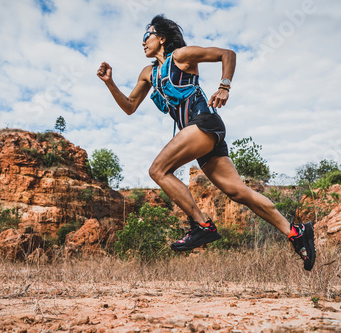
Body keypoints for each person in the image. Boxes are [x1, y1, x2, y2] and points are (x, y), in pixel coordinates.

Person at [97, 15, 316, 271]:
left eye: (147, 35)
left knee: (158, 170)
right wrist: (110, 83)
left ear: (162, 38)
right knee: (238, 192)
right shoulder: (148, 74)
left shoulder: (181, 56)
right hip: (201, 134)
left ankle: (202, 225)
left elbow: (228, 54)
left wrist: (224, 86)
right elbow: (130, 107)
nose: (143, 41)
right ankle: (295, 232)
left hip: (203, 123)